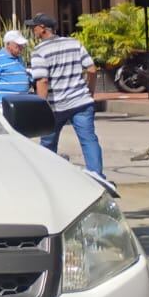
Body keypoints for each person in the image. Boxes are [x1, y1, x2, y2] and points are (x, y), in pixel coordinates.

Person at [26, 12, 103, 177]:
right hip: (81, 101)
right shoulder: (74, 43)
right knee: (89, 139)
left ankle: (48, 176)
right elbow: (91, 69)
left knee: (48, 143)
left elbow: (42, 81)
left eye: (34, 27)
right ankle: (97, 176)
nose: (33, 30)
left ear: (43, 29)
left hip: (56, 106)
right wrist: (90, 91)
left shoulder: (39, 51)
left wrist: (41, 107)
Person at [0, 29, 32, 106]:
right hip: (4, 106)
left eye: (21, 45)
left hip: (21, 105)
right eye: (17, 45)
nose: (21, 47)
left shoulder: (20, 59)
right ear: (8, 44)